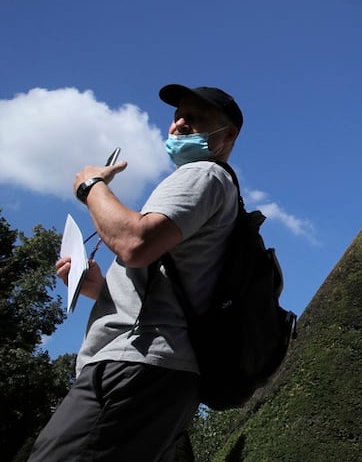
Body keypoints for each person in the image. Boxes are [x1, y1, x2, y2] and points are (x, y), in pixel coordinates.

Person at [30, 85, 244, 461]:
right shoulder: (212, 187)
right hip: (156, 370)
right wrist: (101, 288)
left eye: (196, 117)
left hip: (136, 362)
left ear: (227, 136)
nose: (179, 123)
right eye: (178, 114)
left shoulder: (203, 174)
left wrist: (91, 186)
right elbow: (168, 278)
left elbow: (134, 242)